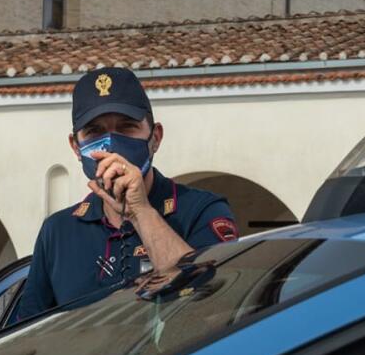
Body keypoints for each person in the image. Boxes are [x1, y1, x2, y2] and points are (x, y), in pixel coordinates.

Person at [13, 67, 239, 320]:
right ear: (76, 147)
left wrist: (140, 211)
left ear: (155, 138)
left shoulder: (202, 210)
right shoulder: (57, 230)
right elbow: (28, 330)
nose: (111, 144)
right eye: (94, 132)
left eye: (127, 127)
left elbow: (214, 305)